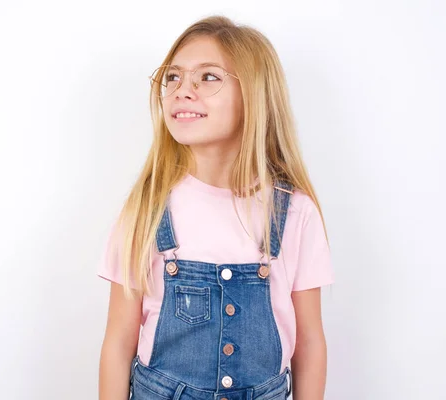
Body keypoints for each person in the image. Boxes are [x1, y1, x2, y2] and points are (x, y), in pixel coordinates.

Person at [97, 14, 334, 400]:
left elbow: (309, 344)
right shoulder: (146, 209)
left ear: (254, 95)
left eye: (208, 77)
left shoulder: (293, 213)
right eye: (172, 77)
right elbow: (117, 343)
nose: (182, 90)